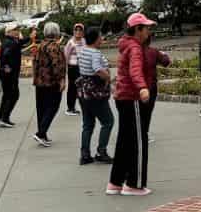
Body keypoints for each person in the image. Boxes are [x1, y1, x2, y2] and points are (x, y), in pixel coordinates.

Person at [108, 13, 156, 196]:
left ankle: (115, 182)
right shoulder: (135, 48)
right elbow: (135, 70)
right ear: (138, 29)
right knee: (138, 141)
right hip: (132, 98)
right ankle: (134, 184)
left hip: (123, 97)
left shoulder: (126, 44)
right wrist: (143, 88)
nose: (149, 31)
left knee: (124, 140)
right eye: (146, 27)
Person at [76, 27, 114, 165]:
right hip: (95, 92)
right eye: (100, 36)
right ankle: (101, 151)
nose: (102, 38)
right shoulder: (95, 53)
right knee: (108, 121)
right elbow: (97, 68)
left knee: (88, 124)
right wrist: (108, 77)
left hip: (83, 91)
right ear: (96, 38)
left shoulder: (83, 50)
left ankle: (85, 154)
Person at [32, 22, 66, 146]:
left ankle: (43, 134)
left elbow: (35, 63)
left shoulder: (41, 45)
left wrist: (35, 78)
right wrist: (61, 80)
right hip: (51, 82)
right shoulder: (54, 47)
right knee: (53, 107)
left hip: (39, 82)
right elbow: (57, 65)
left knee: (41, 108)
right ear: (56, 33)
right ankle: (41, 133)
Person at [141, 26, 170, 143]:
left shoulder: (133, 50)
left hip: (136, 87)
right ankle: (144, 134)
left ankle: (137, 133)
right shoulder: (153, 52)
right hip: (150, 86)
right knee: (147, 112)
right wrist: (164, 54)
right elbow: (166, 62)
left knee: (138, 112)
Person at [0, 23, 24, 128]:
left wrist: (28, 38)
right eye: (15, 30)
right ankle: (4, 117)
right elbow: (5, 56)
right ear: (8, 32)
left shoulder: (12, 41)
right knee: (13, 95)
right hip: (9, 74)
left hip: (8, 73)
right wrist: (7, 67)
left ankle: (2, 117)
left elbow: (19, 44)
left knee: (7, 95)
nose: (17, 31)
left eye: (18, 29)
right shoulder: (9, 42)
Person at [63, 23, 86, 116]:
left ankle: (83, 106)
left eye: (80, 30)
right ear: (73, 31)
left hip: (82, 67)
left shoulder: (84, 41)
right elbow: (66, 56)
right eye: (76, 30)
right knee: (72, 87)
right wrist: (65, 69)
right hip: (73, 67)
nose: (78, 32)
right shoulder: (70, 42)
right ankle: (70, 108)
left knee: (82, 87)